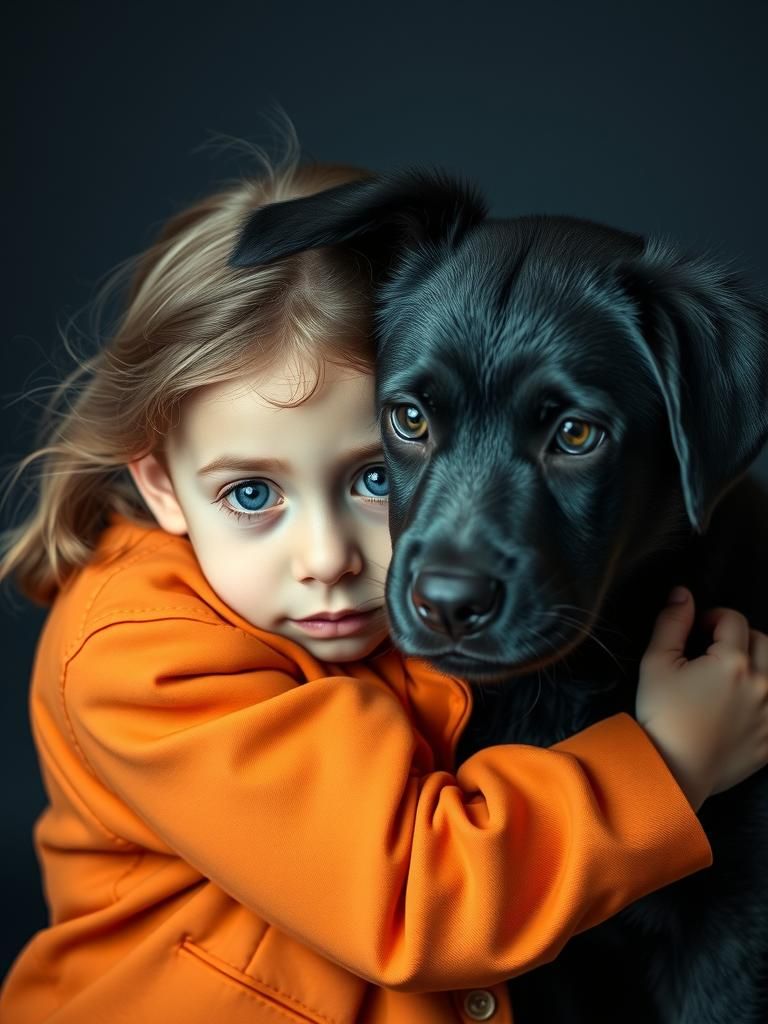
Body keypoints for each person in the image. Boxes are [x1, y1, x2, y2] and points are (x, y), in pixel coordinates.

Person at [1, 153, 767, 1024]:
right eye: (252, 493)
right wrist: (668, 764)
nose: (327, 556)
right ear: (161, 483)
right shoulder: (146, 656)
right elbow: (419, 891)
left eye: (370, 476)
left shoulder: (352, 611)